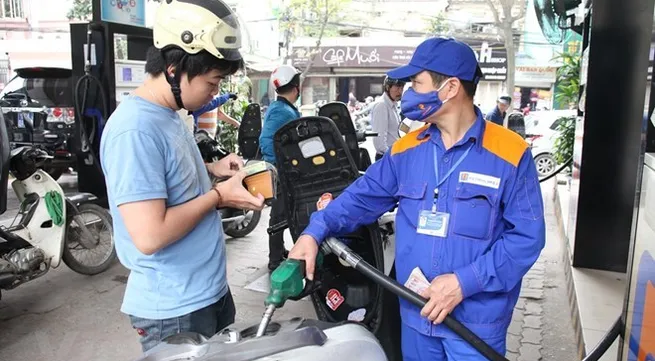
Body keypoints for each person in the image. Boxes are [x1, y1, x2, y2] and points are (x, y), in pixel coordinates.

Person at [288, 37, 545, 360]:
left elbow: (526, 239)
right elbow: (362, 198)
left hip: (476, 324)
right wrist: (315, 230)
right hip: (417, 316)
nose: (407, 92)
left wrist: (464, 283)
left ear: (450, 88)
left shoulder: (511, 154)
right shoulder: (407, 149)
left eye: (416, 82)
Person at [99, 0, 265, 353]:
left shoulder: (170, 113)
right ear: (174, 69)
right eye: (212, 81)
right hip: (175, 310)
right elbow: (149, 234)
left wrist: (211, 170)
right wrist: (220, 197)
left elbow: (162, 176)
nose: (215, 92)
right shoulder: (135, 130)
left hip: (206, 291)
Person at [258, 64, 302, 271]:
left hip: (283, 170)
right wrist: (280, 166)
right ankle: (275, 258)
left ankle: (280, 250)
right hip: (281, 172)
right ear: (296, 86)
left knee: (285, 212)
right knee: (279, 213)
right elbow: (266, 141)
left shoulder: (283, 108)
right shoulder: (281, 112)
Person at [371, 76, 406, 161]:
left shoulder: (393, 105)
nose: (400, 92)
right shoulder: (382, 106)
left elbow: (396, 131)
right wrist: (391, 156)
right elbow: (379, 141)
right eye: (397, 88)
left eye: (401, 88)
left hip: (394, 155)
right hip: (387, 157)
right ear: (387, 87)